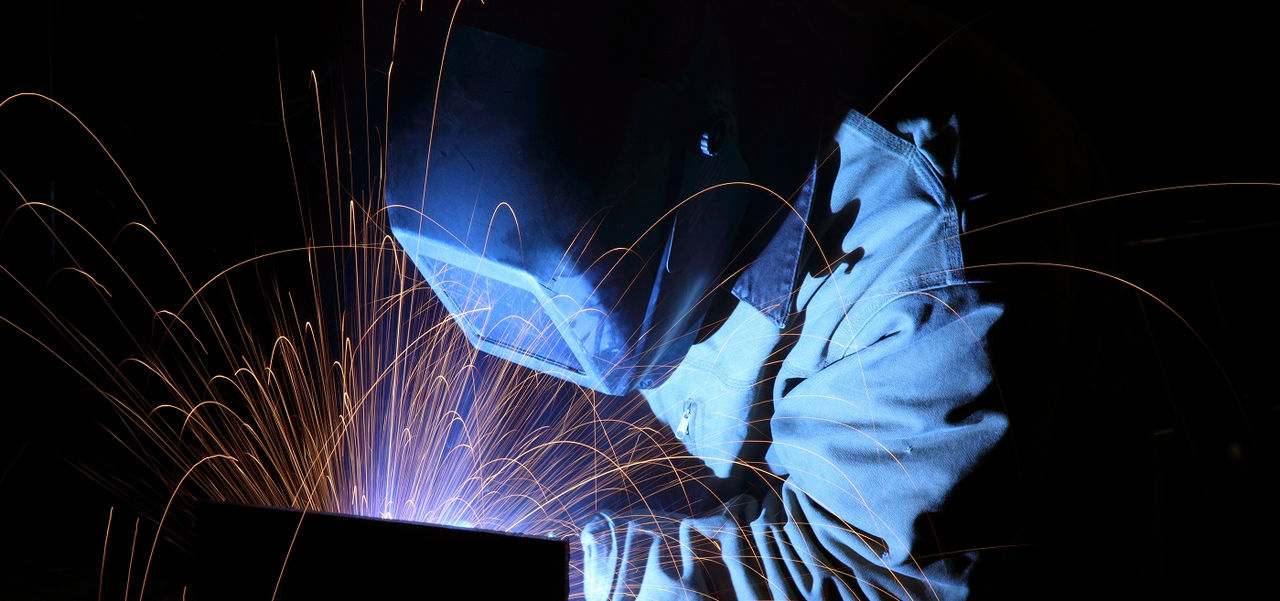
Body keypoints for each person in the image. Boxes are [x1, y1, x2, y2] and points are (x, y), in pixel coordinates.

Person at [385, 1, 1094, 599]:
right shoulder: (551, 108)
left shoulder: (918, 240)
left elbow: (873, 576)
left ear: (705, 142)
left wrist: (582, 577)